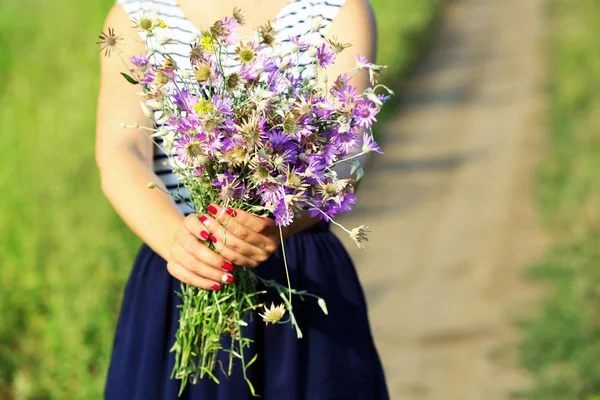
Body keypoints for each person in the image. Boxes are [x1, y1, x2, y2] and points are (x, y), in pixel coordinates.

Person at [96, 0, 389, 398]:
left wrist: (284, 216)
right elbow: (120, 149)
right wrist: (180, 244)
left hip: (296, 267)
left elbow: (344, 156)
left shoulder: (336, 9)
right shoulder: (137, 15)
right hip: (180, 269)